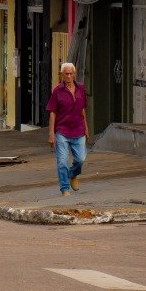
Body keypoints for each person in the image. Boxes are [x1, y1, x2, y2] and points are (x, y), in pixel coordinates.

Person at [47, 61, 89, 195]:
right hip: (62, 131)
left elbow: (82, 109)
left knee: (81, 159)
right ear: (62, 75)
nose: (69, 76)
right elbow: (52, 112)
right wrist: (51, 134)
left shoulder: (81, 88)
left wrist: (86, 128)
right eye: (66, 74)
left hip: (78, 129)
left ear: (74, 74)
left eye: (71, 74)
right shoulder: (57, 91)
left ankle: (72, 174)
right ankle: (65, 188)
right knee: (62, 162)